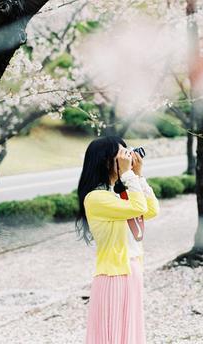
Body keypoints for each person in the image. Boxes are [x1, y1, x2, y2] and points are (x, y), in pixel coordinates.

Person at [75, 135, 160, 344]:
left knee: (128, 335)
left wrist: (138, 176)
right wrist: (129, 174)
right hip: (113, 275)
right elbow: (138, 207)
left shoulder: (117, 194)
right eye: (122, 155)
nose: (127, 158)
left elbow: (151, 211)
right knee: (112, 336)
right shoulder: (96, 198)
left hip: (131, 271)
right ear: (106, 161)